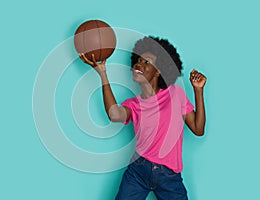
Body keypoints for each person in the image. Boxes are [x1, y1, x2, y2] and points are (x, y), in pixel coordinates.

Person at [79, 36, 206, 200]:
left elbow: (198, 129)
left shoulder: (175, 94)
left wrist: (198, 91)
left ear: (159, 70)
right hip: (138, 170)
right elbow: (114, 114)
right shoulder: (134, 104)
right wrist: (103, 73)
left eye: (147, 62)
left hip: (169, 176)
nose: (139, 64)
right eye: (138, 61)